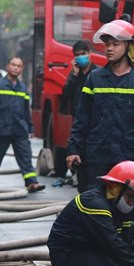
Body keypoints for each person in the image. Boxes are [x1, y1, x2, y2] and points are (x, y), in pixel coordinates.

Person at [66, 20, 134, 188]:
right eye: (107, 44)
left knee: (128, 210)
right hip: (98, 157)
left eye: (115, 44)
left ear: (129, 47)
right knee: (96, 208)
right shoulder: (95, 78)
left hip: (132, 158)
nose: (109, 48)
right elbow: (82, 118)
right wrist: (74, 149)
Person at [48, 160, 134, 266]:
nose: (132, 202)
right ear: (117, 189)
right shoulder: (94, 203)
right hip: (68, 254)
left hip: (91, 246)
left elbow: (128, 238)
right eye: (130, 196)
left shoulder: (118, 203)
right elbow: (113, 242)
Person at [0, 57, 45, 192]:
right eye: (13, 65)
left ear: (22, 69)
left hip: (19, 128)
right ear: (7, 66)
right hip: (2, 127)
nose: (16, 67)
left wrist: (30, 127)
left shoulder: (23, 87)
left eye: (19, 66)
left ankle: (31, 182)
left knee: (25, 156)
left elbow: (26, 110)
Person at [58, 40, 95, 182]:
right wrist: (74, 75)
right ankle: (77, 176)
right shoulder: (74, 75)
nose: (81, 57)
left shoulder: (97, 73)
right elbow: (66, 95)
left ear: (89, 53)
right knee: (76, 146)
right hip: (78, 118)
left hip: (94, 118)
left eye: (83, 54)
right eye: (78, 55)